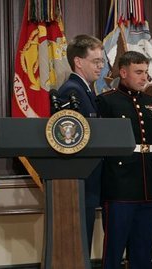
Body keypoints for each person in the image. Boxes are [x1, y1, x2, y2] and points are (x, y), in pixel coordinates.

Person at [96, 51, 152, 269]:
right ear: (122, 72)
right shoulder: (107, 102)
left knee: (142, 249)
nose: (144, 77)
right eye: (139, 71)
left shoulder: (151, 103)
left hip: (147, 186)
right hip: (119, 187)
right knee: (114, 251)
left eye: (146, 72)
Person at [58, 34, 105, 253]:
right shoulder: (72, 91)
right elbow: (71, 141)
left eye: (102, 62)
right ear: (78, 62)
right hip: (79, 182)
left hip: (89, 181)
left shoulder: (86, 90)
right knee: (78, 245)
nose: (101, 67)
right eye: (96, 62)